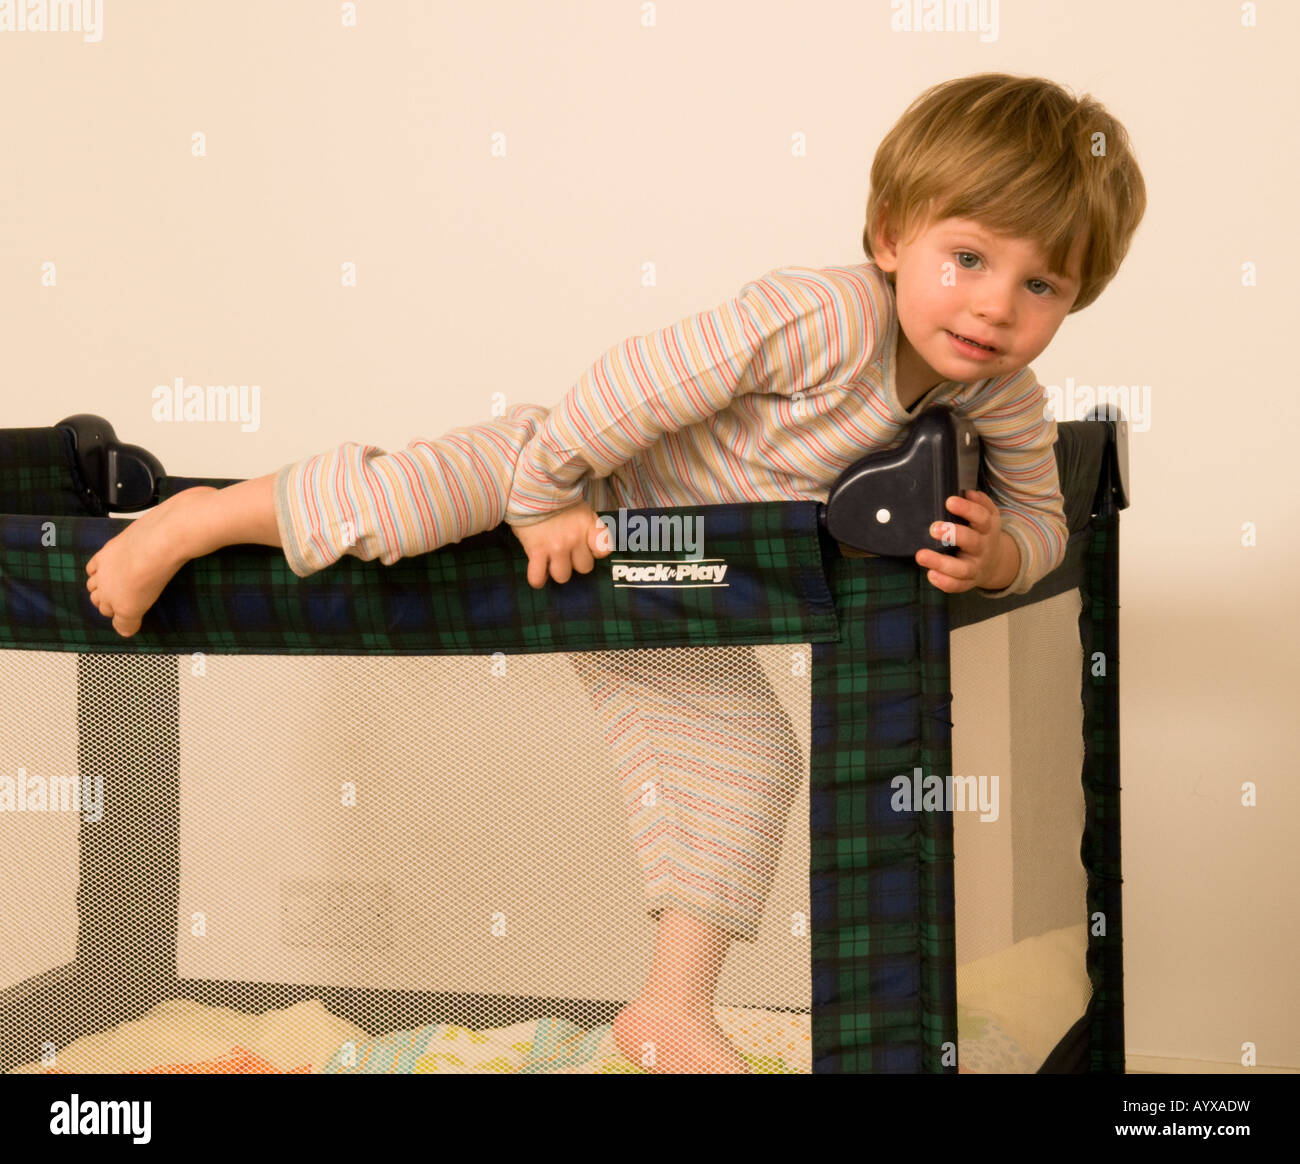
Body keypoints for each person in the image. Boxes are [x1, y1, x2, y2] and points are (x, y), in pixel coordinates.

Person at [83, 72, 1146, 1072]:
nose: (996, 305)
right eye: (967, 258)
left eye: (1040, 281)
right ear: (890, 239)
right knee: (400, 510)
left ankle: (669, 1009)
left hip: (664, 595)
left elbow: (1048, 522)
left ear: (1074, 299)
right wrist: (547, 492)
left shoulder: (999, 396)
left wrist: (1004, 551)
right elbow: (629, 384)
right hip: (568, 475)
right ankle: (201, 517)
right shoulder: (825, 316)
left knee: (753, 755)